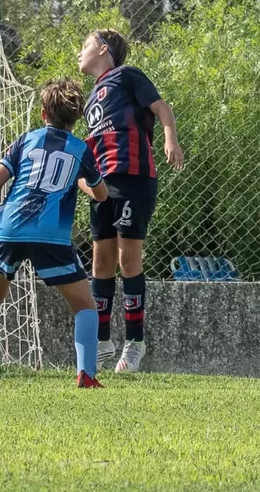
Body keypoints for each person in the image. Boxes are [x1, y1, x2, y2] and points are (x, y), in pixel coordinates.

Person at [0, 79, 109, 389]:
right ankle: (86, 374)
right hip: (51, 235)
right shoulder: (80, 149)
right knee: (85, 305)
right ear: (76, 117)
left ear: (44, 113)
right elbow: (101, 195)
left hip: (11, 228)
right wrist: (81, 181)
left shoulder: (26, 140)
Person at [78, 29, 184, 373]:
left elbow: (161, 107)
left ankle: (135, 342)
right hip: (103, 186)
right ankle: (103, 341)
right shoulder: (91, 99)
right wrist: (84, 182)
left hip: (133, 178)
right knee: (100, 264)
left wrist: (170, 139)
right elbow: (91, 149)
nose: (79, 52)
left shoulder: (127, 76)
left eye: (85, 45)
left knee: (128, 261)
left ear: (103, 49)